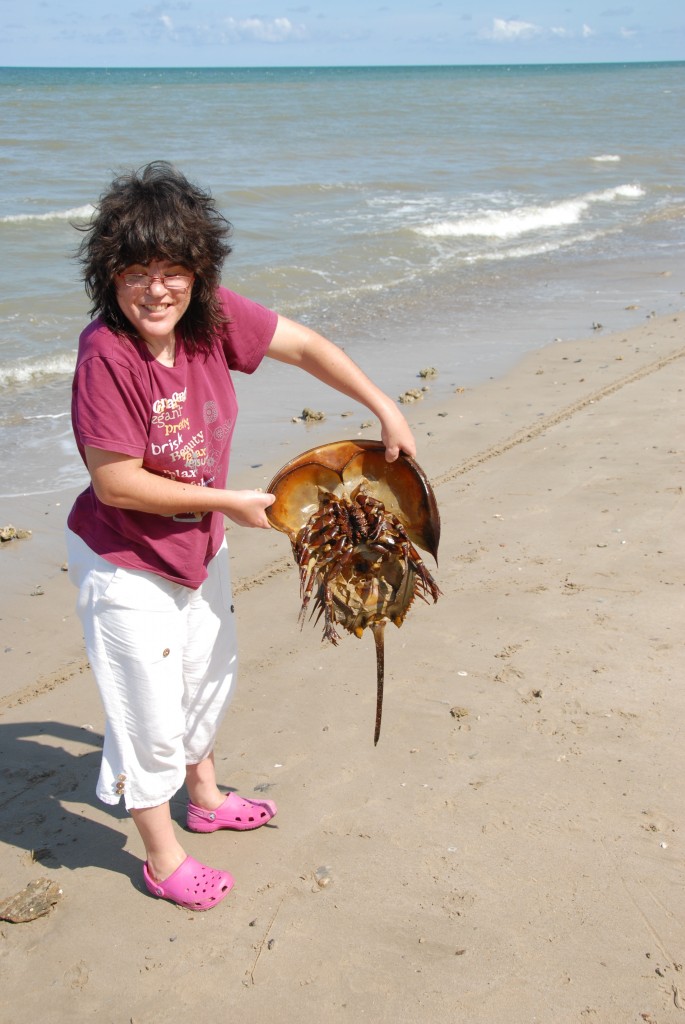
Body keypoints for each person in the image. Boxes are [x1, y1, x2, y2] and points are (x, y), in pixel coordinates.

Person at [66, 161, 416, 912]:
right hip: (125, 560)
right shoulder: (107, 356)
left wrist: (383, 404)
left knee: (206, 676)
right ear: (108, 277)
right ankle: (161, 856)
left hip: (198, 547)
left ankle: (202, 794)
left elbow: (306, 346)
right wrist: (226, 501)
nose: (154, 289)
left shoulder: (210, 319)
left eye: (171, 269)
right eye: (133, 271)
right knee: (144, 709)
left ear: (198, 270)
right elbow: (115, 483)